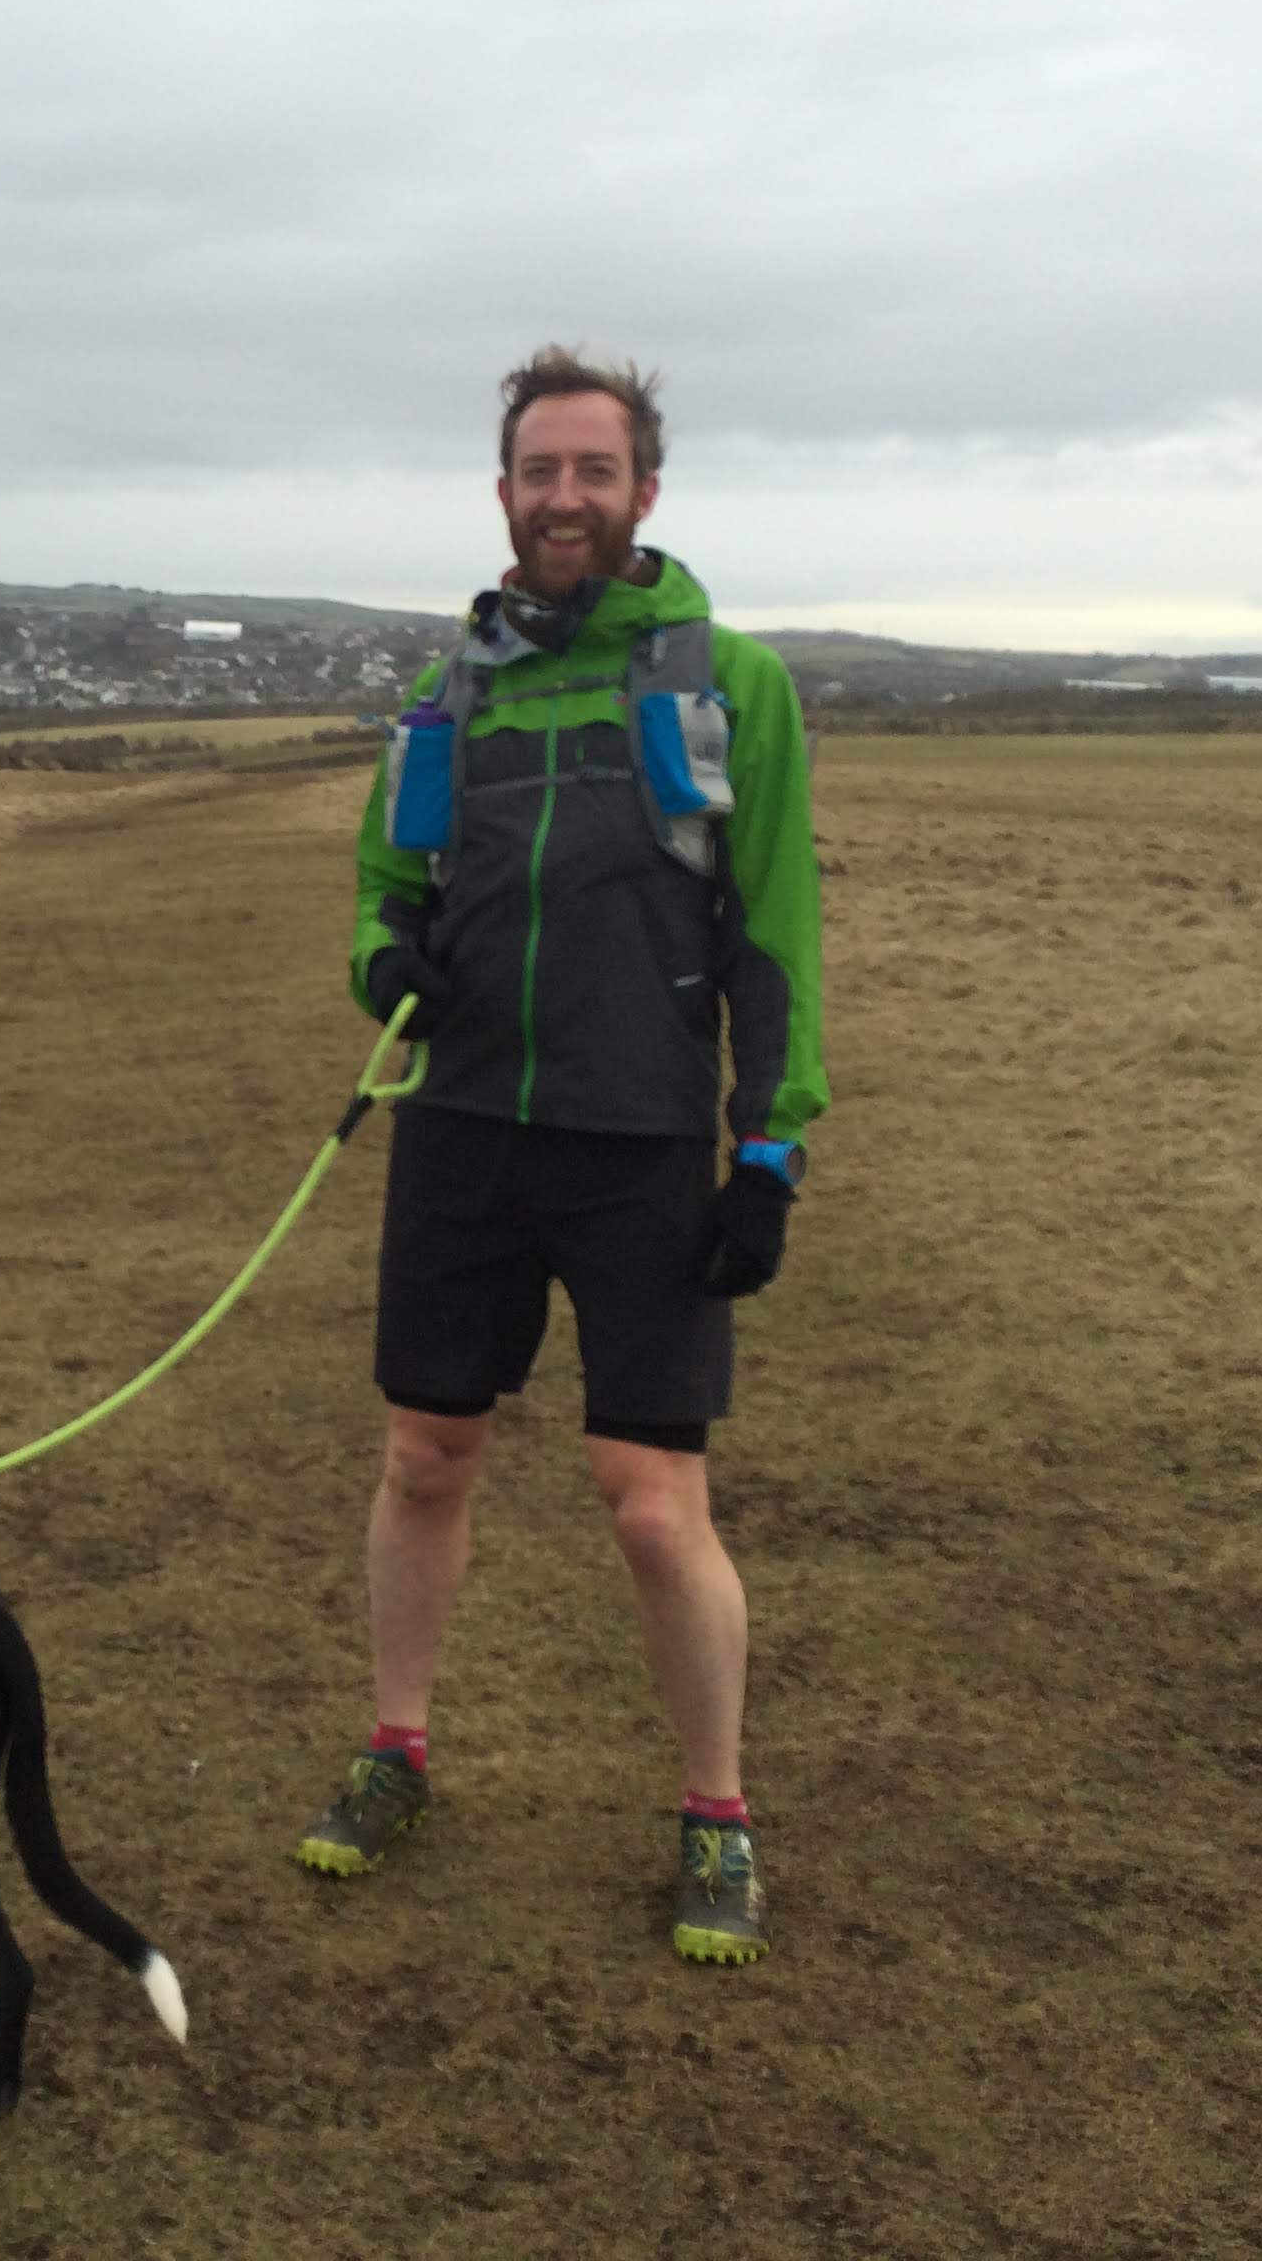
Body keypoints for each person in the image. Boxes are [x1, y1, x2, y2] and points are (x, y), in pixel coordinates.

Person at [294, 346, 826, 1966]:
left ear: (645, 492)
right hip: (460, 1131)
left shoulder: (731, 680)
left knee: (654, 1505)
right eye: (542, 471)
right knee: (424, 1458)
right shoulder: (448, 692)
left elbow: (778, 926)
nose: (567, 498)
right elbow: (389, 882)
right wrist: (385, 964)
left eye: (598, 471)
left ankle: (716, 1812)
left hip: (644, 1140)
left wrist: (770, 1150)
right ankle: (398, 1750)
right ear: (506, 490)